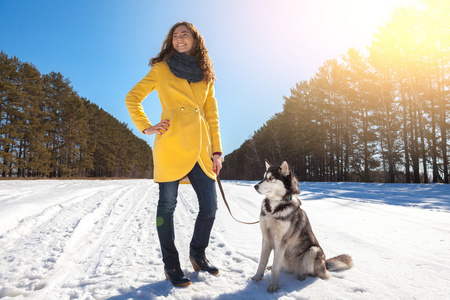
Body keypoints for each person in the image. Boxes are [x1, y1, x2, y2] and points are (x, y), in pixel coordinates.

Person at [125, 21, 223, 288]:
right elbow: (132, 98)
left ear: (195, 40)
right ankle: (171, 264)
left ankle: (198, 254)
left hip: (201, 151)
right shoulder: (161, 68)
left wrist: (217, 151)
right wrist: (147, 126)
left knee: (210, 208)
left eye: (185, 35)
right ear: (171, 41)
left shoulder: (205, 75)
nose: (180, 38)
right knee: (166, 208)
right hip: (171, 146)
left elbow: (211, 115)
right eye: (175, 35)